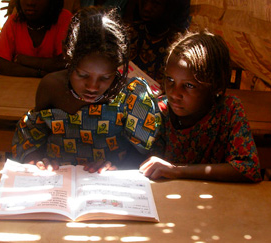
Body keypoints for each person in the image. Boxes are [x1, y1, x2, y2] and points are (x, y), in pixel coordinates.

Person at [12, 6, 161, 172]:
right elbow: (34, 137)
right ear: (68, 56)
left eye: (105, 78)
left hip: (109, 184)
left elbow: (146, 153)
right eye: (82, 75)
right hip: (58, 181)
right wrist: (37, 161)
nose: (92, 87)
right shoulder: (51, 87)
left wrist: (117, 166)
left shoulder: (133, 95)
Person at [139, 31, 262, 182]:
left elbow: (249, 169)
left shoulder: (229, 111)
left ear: (216, 86)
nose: (175, 93)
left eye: (189, 85)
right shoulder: (159, 111)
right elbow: (141, 162)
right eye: (170, 79)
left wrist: (178, 171)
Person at [0, 0, 73, 77]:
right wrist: (38, 73)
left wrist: (23, 60)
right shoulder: (13, 22)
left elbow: (64, 64)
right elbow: (1, 67)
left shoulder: (64, 19)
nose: (30, 3)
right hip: (19, 88)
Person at [127, 0, 191, 84]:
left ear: (170, 8)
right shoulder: (130, 32)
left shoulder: (177, 47)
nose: (147, 8)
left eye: (156, 3)